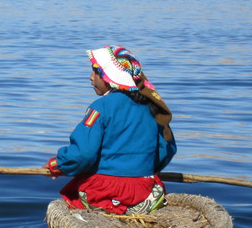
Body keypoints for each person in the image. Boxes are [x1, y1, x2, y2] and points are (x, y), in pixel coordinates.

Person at [45, 46, 177, 215]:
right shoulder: (151, 108)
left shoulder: (101, 107)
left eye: (96, 72)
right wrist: (144, 169)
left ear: (109, 76)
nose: (91, 78)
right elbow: (166, 150)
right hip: (144, 194)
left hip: (105, 192)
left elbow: (82, 155)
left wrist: (57, 164)